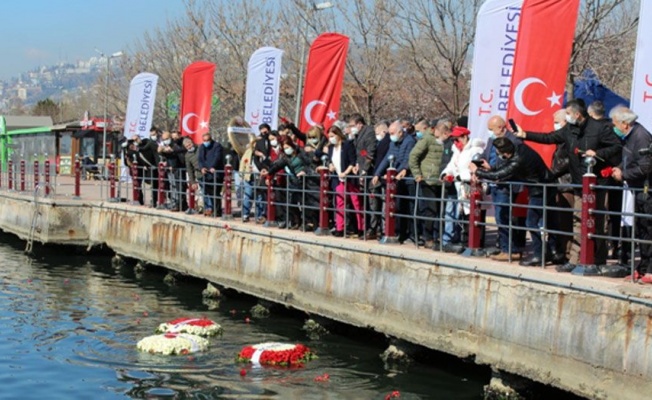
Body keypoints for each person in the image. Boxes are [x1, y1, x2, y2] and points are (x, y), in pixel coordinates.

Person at [515, 99, 622, 273]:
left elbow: (617, 146)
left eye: (568, 115)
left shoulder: (600, 128)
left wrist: (598, 153)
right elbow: (549, 137)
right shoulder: (570, 130)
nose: (567, 118)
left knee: (598, 221)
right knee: (578, 220)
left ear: (577, 114)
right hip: (579, 183)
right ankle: (575, 259)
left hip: (597, 184)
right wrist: (525, 135)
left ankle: (599, 258)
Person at [471, 138, 555, 266]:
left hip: (540, 190)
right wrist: (491, 168)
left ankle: (539, 254)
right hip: (543, 187)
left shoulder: (517, 160)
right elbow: (504, 170)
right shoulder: (520, 148)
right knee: (547, 221)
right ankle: (549, 251)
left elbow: (500, 174)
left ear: (503, 152)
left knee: (532, 222)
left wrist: (477, 170)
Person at [608, 106, 652, 281]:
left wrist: (624, 175)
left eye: (615, 124)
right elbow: (628, 159)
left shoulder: (641, 137)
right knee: (640, 229)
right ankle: (642, 266)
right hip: (637, 189)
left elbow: (646, 166)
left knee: (649, 229)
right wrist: (618, 168)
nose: (614, 128)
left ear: (625, 124)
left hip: (647, 189)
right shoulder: (628, 138)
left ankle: (650, 269)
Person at [482, 115, 524, 260]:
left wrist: (492, 168)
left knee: (503, 216)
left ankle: (510, 249)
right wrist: (479, 164)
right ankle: (506, 248)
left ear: (500, 127)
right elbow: (485, 155)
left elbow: (511, 164)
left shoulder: (514, 141)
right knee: (500, 217)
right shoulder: (491, 140)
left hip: (506, 184)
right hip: (494, 183)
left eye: (491, 129)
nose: (489, 132)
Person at [372, 120, 417, 243]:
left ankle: (411, 235)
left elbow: (406, 159)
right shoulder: (393, 143)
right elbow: (387, 158)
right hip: (396, 179)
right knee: (396, 207)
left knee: (409, 207)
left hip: (407, 179)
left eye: (392, 133)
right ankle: (398, 233)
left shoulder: (409, 142)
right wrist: (378, 173)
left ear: (400, 132)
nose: (390, 136)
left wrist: (396, 172)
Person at [409, 118, 444, 248]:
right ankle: (428, 237)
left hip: (441, 180)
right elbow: (413, 156)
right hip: (428, 179)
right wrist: (417, 174)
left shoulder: (443, 140)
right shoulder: (427, 139)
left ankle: (438, 236)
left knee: (440, 210)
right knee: (431, 209)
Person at [327, 125, 364, 237]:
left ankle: (361, 228)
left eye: (332, 136)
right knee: (340, 203)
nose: (331, 138)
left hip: (349, 178)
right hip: (338, 179)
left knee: (356, 202)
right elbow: (330, 160)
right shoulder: (330, 148)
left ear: (338, 135)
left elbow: (352, 161)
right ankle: (340, 227)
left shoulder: (347, 145)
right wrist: (330, 166)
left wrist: (346, 172)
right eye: (329, 136)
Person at [550, 109, 573, 265]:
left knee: (567, 220)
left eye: (557, 121)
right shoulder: (560, 141)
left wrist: (550, 174)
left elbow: (566, 162)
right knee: (560, 220)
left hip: (567, 185)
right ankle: (562, 250)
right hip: (560, 184)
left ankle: (568, 253)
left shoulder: (568, 139)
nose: (554, 125)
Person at [363, 122, 391, 240]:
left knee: (384, 204)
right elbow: (367, 154)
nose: (376, 136)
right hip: (374, 176)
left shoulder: (388, 142)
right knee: (373, 204)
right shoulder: (376, 143)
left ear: (384, 132)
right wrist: (365, 155)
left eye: (377, 133)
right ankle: (374, 227)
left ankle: (383, 229)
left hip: (381, 177)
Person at [197, 132, 224, 217]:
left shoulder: (217, 146)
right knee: (209, 192)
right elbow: (200, 158)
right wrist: (202, 167)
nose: (206, 142)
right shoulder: (202, 147)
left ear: (211, 139)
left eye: (207, 140)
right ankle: (212, 209)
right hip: (207, 173)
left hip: (216, 173)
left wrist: (212, 166)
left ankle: (217, 211)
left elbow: (217, 157)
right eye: (204, 140)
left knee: (215, 192)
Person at [132, 134, 160, 207]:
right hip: (146, 167)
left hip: (154, 166)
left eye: (136, 139)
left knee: (156, 184)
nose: (135, 141)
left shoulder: (147, 143)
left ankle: (155, 202)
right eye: (133, 140)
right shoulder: (135, 148)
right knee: (148, 184)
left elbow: (149, 153)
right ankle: (144, 200)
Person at [183, 138, 201, 214]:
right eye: (187, 146)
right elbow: (189, 169)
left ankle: (207, 208)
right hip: (198, 174)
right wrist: (192, 182)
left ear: (192, 142)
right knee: (198, 192)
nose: (189, 147)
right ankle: (199, 207)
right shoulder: (187, 155)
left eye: (189, 144)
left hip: (206, 171)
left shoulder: (200, 149)